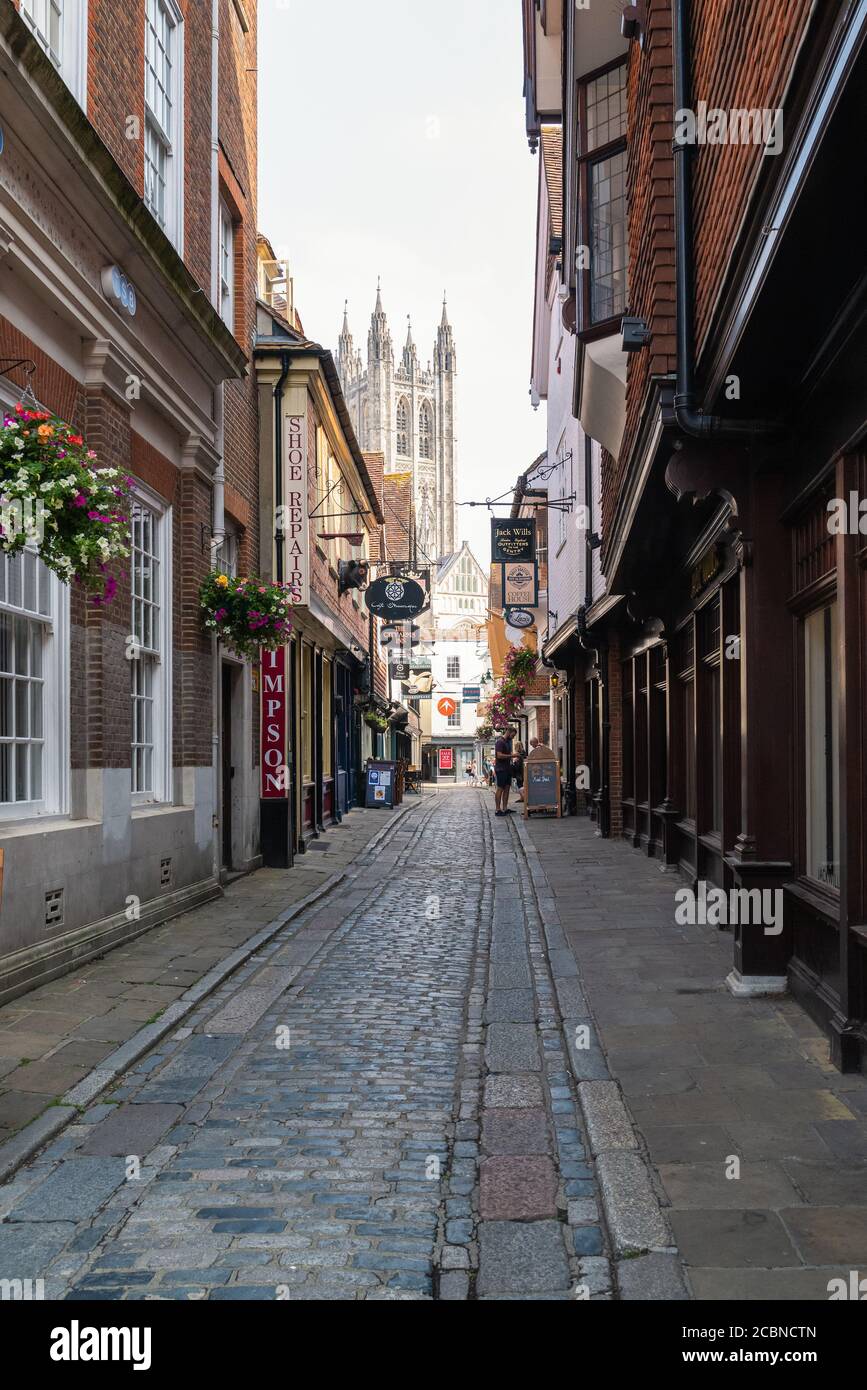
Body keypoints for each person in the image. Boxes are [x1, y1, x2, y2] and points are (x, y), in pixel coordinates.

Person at [494, 726, 516, 816]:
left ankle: (505, 808)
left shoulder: (508, 742)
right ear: (508, 732)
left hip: (507, 768)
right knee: (500, 788)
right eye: (513, 735)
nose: (513, 737)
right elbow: (499, 755)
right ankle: (497, 809)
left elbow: (508, 754)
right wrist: (512, 756)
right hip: (501, 769)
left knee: (507, 788)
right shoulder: (500, 742)